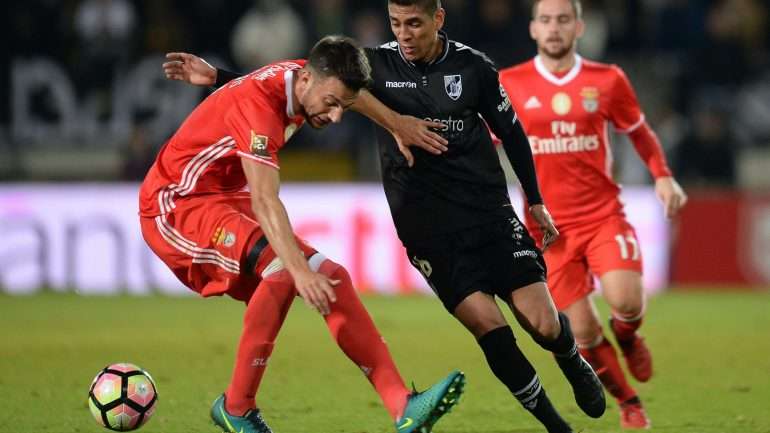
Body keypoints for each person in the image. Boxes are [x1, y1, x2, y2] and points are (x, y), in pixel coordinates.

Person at [163, 2, 607, 432]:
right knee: (483, 326)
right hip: (418, 225)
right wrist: (219, 80)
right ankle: (555, 425)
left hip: (485, 211)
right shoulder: (356, 72)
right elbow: (291, 109)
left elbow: (507, 130)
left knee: (540, 323)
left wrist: (533, 199)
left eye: (414, 22)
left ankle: (549, 365)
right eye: (396, 22)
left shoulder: (467, 69)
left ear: (438, 18)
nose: (404, 34)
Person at [141, 35, 466, 433]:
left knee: (334, 277)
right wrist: (299, 271)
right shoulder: (262, 108)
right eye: (331, 105)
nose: (335, 118)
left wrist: (396, 124)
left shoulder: (305, 77)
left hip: (223, 199)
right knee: (282, 271)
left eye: (340, 107)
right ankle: (236, 408)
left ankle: (403, 406)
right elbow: (264, 199)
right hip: (176, 206)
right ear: (308, 80)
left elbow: (349, 95)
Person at [499, 0, 688, 429]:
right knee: (581, 332)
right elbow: (484, 145)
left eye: (563, 20)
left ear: (579, 27)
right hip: (547, 231)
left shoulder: (607, 80)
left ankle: (627, 334)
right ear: (532, 29)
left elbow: (638, 132)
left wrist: (663, 176)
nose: (554, 28)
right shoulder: (509, 83)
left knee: (626, 301)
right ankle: (628, 400)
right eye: (545, 20)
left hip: (602, 215)